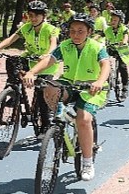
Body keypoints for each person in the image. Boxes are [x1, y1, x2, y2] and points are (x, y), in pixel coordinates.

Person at [22, 13, 110, 181]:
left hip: (90, 88)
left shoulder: (97, 47)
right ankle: (60, 121)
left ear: (89, 32)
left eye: (80, 31)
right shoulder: (65, 46)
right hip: (69, 83)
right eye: (72, 31)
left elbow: (105, 65)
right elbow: (50, 60)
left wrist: (99, 81)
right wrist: (32, 72)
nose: (76, 35)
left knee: (83, 119)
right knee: (49, 87)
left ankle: (87, 161)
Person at [0, 0, 59, 134]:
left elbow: (54, 44)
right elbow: (11, 39)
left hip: (46, 64)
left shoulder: (51, 29)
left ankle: (46, 125)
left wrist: (48, 54)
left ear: (44, 16)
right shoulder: (26, 27)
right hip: (30, 59)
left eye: (37, 15)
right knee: (12, 61)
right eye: (31, 15)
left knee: (42, 95)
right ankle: (14, 93)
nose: (34, 18)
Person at [104, 10, 129, 99]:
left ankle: (125, 87)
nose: (112, 22)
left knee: (122, 67)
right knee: (103, 63)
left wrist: (124, 41)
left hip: (122, 51)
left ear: (120, 21)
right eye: (112, 20)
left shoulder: (124, 29)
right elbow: (100, 35)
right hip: (111, 49)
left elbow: (126, 37)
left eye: (115, 20)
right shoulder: (108, 29)